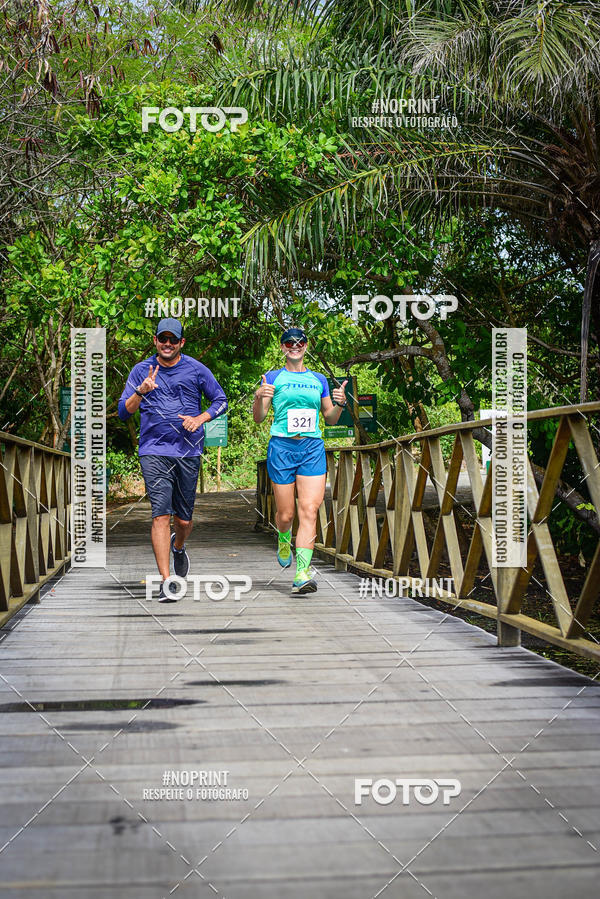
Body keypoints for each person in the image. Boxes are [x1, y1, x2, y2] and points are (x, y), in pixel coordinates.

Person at [118, 318, 227, 601]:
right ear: (154, 340)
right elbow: (123, 412)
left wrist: (200, 418)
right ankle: (168, 582)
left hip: (188, 450)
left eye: (173, 340)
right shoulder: (141, 371)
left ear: (181, 343)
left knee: (183, 520)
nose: (167, 344)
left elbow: (220, 401)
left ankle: (179, 546)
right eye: (162, 339)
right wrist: (141, 391)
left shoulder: (196, 369)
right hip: (154, 450)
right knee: (160, 515)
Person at [253, 327, 348, 594]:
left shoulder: (318, 379)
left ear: (306, 346)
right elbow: (259, 418)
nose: (295, 346)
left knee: (309, 510)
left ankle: (302, 574)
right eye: (289, 343)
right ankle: (284, 538)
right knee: (286, 514)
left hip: (312, 448)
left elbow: (329, 417)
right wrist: (259, 398)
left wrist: (340, 403)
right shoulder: (272, 377)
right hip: (282, 447)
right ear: (282, 347)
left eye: (300, 342)